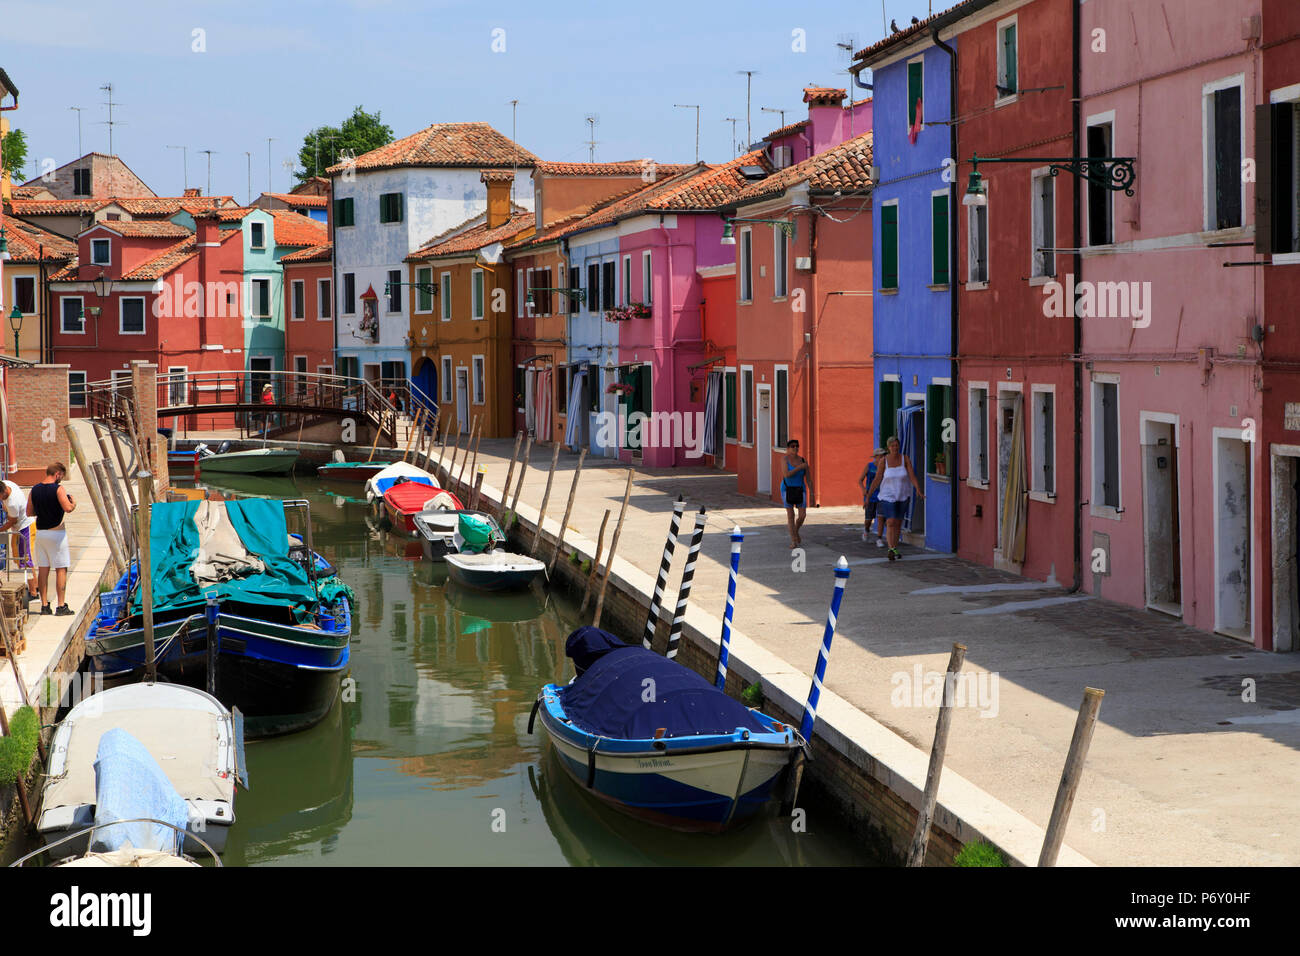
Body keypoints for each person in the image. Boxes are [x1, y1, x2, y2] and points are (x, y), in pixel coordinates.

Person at [26, 462, 76, 615]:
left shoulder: (34, 489)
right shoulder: (58, 489)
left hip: (41, 534)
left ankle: (44, 606)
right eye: (61, 476)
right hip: (57, 534)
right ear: (57, 474)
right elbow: (68, 508)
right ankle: (61, 606)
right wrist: (73, 503)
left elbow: (29, 512)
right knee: (61, 568)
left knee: (43, 569)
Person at [866, 436, 923, 562]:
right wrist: (869, 495)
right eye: (892, 446)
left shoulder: (905, 459)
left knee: (897, 523)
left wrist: (918, 488)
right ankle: (890, 549)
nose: (895, 448)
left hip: (902, 495)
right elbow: (877, 479)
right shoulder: (884, 461)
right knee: (891, 521)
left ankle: (895, 547)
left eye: (896, 445)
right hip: (887, 495)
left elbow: (912, 475)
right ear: (889, 448)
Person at [0, 478, 37, 608]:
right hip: (19, 528)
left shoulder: (12, 503)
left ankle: (33, 592)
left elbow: (11, 521)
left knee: (25, 559)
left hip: (24, 527)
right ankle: (35, 587)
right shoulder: (8, 483)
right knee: (17, 556)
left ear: (3, 494)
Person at [780, 439, 810, 548]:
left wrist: (811, 493)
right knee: (790, 515)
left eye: (797, 446)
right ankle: (793, 540)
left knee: (802, 515)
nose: (795, 448)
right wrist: (799, 468)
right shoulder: (785, 460)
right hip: (787, 489)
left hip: (800, 489)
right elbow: (786, 474)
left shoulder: (803, 460)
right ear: (788, 448)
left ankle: (796, 531)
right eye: (792, 446)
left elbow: (809, 479)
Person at [858, 447, 887, 547]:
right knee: (869, 519)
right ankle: (866, 530)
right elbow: (860, 480)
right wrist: (863, 490)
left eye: (884, 455)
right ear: (876, 457)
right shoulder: (869, 466)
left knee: (881, 518)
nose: (883, 457)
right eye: (881, 456)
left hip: (882, 495)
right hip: (870, 495)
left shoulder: (885, 466)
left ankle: (879, 539)